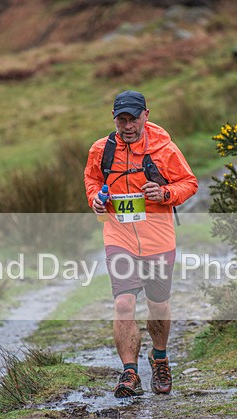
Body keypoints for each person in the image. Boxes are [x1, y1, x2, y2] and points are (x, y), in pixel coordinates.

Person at [84, 90, 198, 398]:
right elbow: (92, 180)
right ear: (115, 120)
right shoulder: (102, 149)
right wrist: (95, 199)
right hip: (118, 236)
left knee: (157, 303)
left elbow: (189, 183)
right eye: (122, 120)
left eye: (133, 119)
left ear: (145, 115)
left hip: (158, 236)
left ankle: (159, 358)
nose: (128, 126)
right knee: (124, 302)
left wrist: (164, 194)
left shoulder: (165, 149)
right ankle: (129, 373)